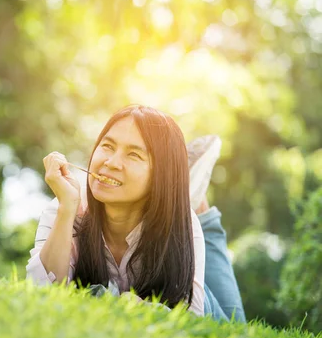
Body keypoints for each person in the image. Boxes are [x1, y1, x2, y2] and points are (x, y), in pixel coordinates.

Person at [26, 105, 246, 322]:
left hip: (188, 255)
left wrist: (138, 307)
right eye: (107, 146)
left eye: (133, 154)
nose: (111, 163)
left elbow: (192, 318)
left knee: (235, 326)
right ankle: (191, 193)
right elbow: (41, 293)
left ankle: (201, 211)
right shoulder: (67, 203)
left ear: (161, 174)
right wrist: (67, 209)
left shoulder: (183, 225)